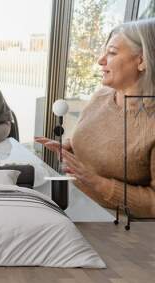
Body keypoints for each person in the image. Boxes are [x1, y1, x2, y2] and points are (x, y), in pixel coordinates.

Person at [36, 18, 155, 217]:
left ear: (142, 61)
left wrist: (99, 184)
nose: (101, 60)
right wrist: (70, 149)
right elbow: (97, 142)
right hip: (73, 201)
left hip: (118, 222)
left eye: (112, 53)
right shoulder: (102, 95)